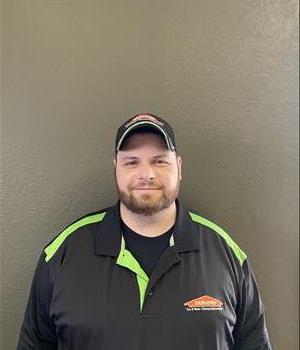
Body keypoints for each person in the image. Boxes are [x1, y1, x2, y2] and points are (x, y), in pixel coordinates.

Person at [17, 113, 272, 350]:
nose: (146, 174)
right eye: (131, 162)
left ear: (179, 167)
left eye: (159, 161)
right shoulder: (63, 253)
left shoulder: (226, 254)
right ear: (116, 167)